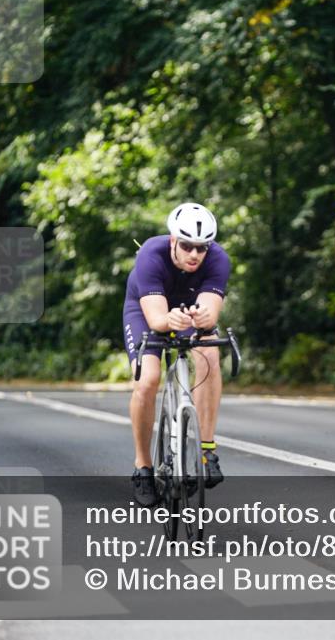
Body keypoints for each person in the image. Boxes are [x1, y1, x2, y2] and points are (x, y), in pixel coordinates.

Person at [123, 203, 230, 507]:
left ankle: (207, 450)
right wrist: (168, 320)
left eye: (201, 248)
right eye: (187, 246)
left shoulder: (219, 260)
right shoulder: (150, 255)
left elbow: (209, 317)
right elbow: (157, 321)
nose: (194, 254)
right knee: (147, 379)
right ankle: (143, 467)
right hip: (147, 311)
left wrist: (201, 318)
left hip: (187, 313)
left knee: (209, 354)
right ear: (173, 241)